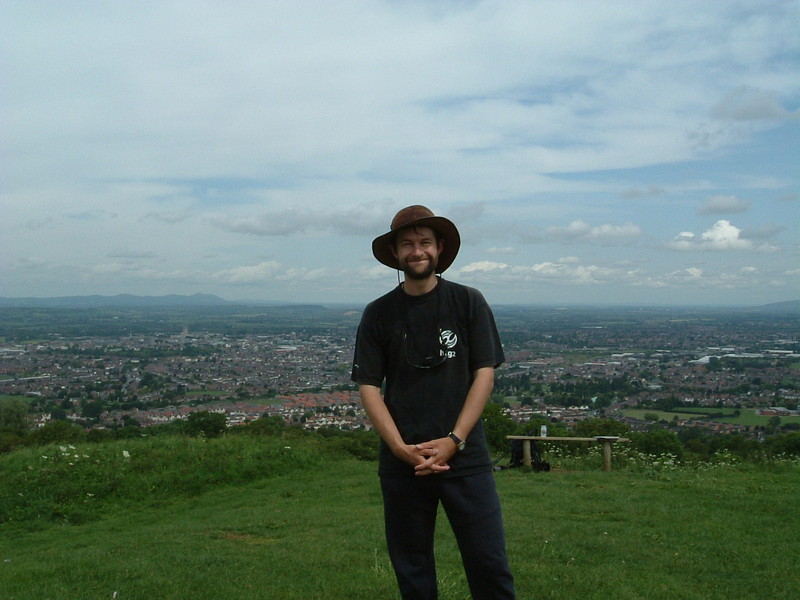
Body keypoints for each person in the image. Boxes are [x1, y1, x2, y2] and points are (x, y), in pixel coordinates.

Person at [351, 205, 516, 599]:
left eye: (424, 242)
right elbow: (369, 386)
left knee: (488, 564)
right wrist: (398, 448)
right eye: (407, 244)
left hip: (465, 457)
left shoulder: (467, 302)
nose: (417, 251)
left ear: (439, 248)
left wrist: (454, 440)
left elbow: (484, 373)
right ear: (395, 253)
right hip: (403, 460)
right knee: (413, 570)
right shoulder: (379, 313)